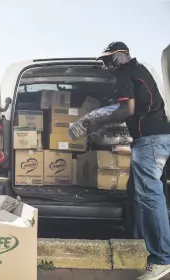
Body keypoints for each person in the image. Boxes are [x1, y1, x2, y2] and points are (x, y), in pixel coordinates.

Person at [88, 41, 170, 280]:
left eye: (110, 59)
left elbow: (127, 110)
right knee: (138, 191)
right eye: (104, 61)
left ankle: (162, 258)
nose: (107, 64)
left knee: (149, 195)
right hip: (158, 138)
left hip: (150, 140)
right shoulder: (140, 71)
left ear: (123, 55)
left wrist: (96, 122)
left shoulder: (127, 72)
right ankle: (137, 238)